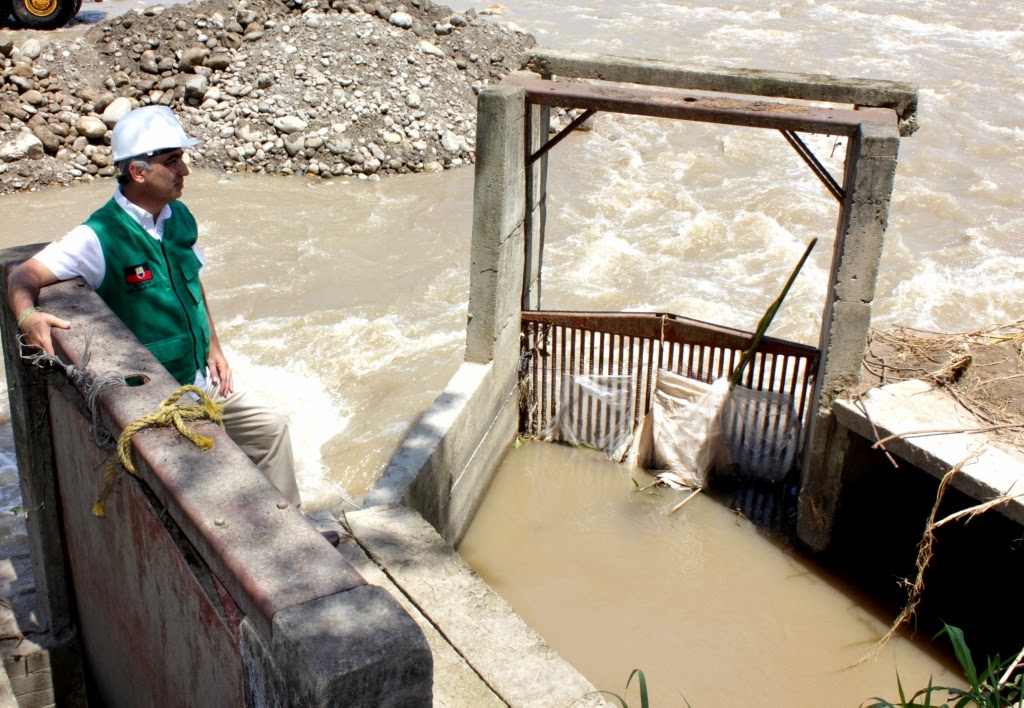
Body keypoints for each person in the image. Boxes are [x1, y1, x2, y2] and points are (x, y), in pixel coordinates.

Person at [7, 106, 301, 508]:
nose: (185, 170)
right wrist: (27, 316)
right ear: (138, 172)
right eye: (173, 160)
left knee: (270, 429)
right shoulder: (98, 237)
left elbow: (192, 282)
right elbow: (23, 274)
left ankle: (290, 524)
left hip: (199, 378)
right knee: (209, 477)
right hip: (156, 398)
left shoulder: (177, 217)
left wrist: (214, 347)